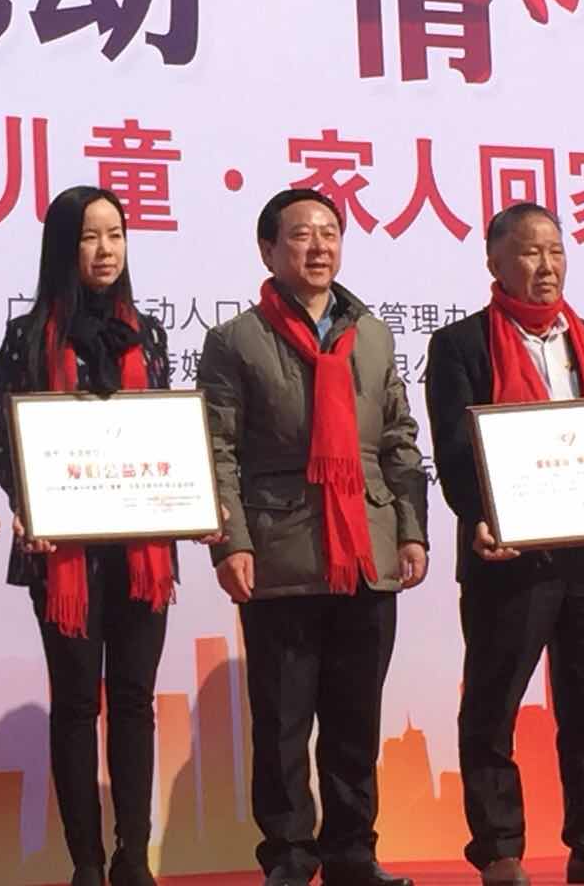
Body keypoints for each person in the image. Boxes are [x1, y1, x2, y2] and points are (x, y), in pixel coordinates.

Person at [423, 203, 584, 886]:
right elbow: (454, 447)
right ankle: (499, 849)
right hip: (509, 555)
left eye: (556, 251)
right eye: (530, 252)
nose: (546, 265)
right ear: (495, 262)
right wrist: (478, 516)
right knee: (494, 704)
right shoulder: (462, 344)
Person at [196, 188, 429, 886]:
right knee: (283, 720)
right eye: (301, 234)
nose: (319, 246)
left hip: (366, 548)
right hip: (280, 550)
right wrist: (231, 542)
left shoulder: (373, 335)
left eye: (330, 232)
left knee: (356, 718)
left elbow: (399, 439)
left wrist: (410, 530)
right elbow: (217, 451)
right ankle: (291, 855)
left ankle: (353, 852)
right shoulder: (235, 341)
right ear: (268, 250)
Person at [0, 185, 185, 886]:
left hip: (141, 550)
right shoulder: (27, 337)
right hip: (61, 553)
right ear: (61, 248)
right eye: (89, 237)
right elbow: (7, 442)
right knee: (76, 704)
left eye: (116, 235)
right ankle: (87, 862)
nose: (106, 251)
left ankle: (134, 856)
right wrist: (27, 506)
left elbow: (166, 434)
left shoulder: (149, 334)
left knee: (134, 701)